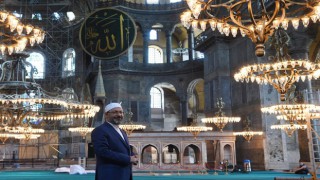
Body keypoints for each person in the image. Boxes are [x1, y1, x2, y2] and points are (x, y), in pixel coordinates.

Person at [91, 102, 138, 180]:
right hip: (109, 175)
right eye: (115, 112)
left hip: (124, 174)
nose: (119, 115)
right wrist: (128, 159)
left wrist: (133, 156)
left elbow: (124, 149)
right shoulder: (100, 130)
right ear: (106, 114)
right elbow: (102, 152)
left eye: (121, 112)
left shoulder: (122, 131)